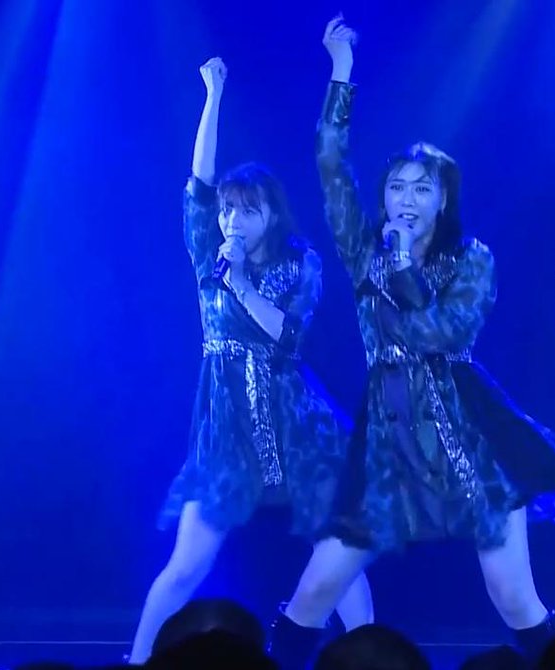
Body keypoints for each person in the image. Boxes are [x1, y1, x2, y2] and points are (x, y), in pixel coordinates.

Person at [266, 16, 555, 667]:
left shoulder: (472, 260)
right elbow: (331, 165)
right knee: (316, 588)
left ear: (443, 201)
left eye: (423, 189)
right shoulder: (364, 250)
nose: (407, 199)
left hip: (469, 435)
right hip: (388, 438)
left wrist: (402, 268)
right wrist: (342, 72)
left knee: (512, 594)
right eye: (397, 188)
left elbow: (442, 332)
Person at [127, 56, 373, 664]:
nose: (232, 220)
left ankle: (369, 657)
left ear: (271, 215)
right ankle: (137, 661)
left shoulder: (300, 263)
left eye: (247, 210)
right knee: (186, 565)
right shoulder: (206, 249)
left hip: (296, 424)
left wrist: (239, 281)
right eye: (228, 210)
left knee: (337, 554)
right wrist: (213, 95)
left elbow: (289, 338)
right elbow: (199, 180)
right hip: (226, 428)